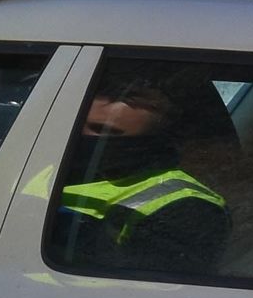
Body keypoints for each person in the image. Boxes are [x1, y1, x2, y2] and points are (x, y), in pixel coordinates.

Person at [51, 64, 236, 279]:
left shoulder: (186, 208)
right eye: (77, 126)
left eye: (104, 132)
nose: (84, 138)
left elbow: (150, 295)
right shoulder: (45, 165)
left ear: (152, 142)